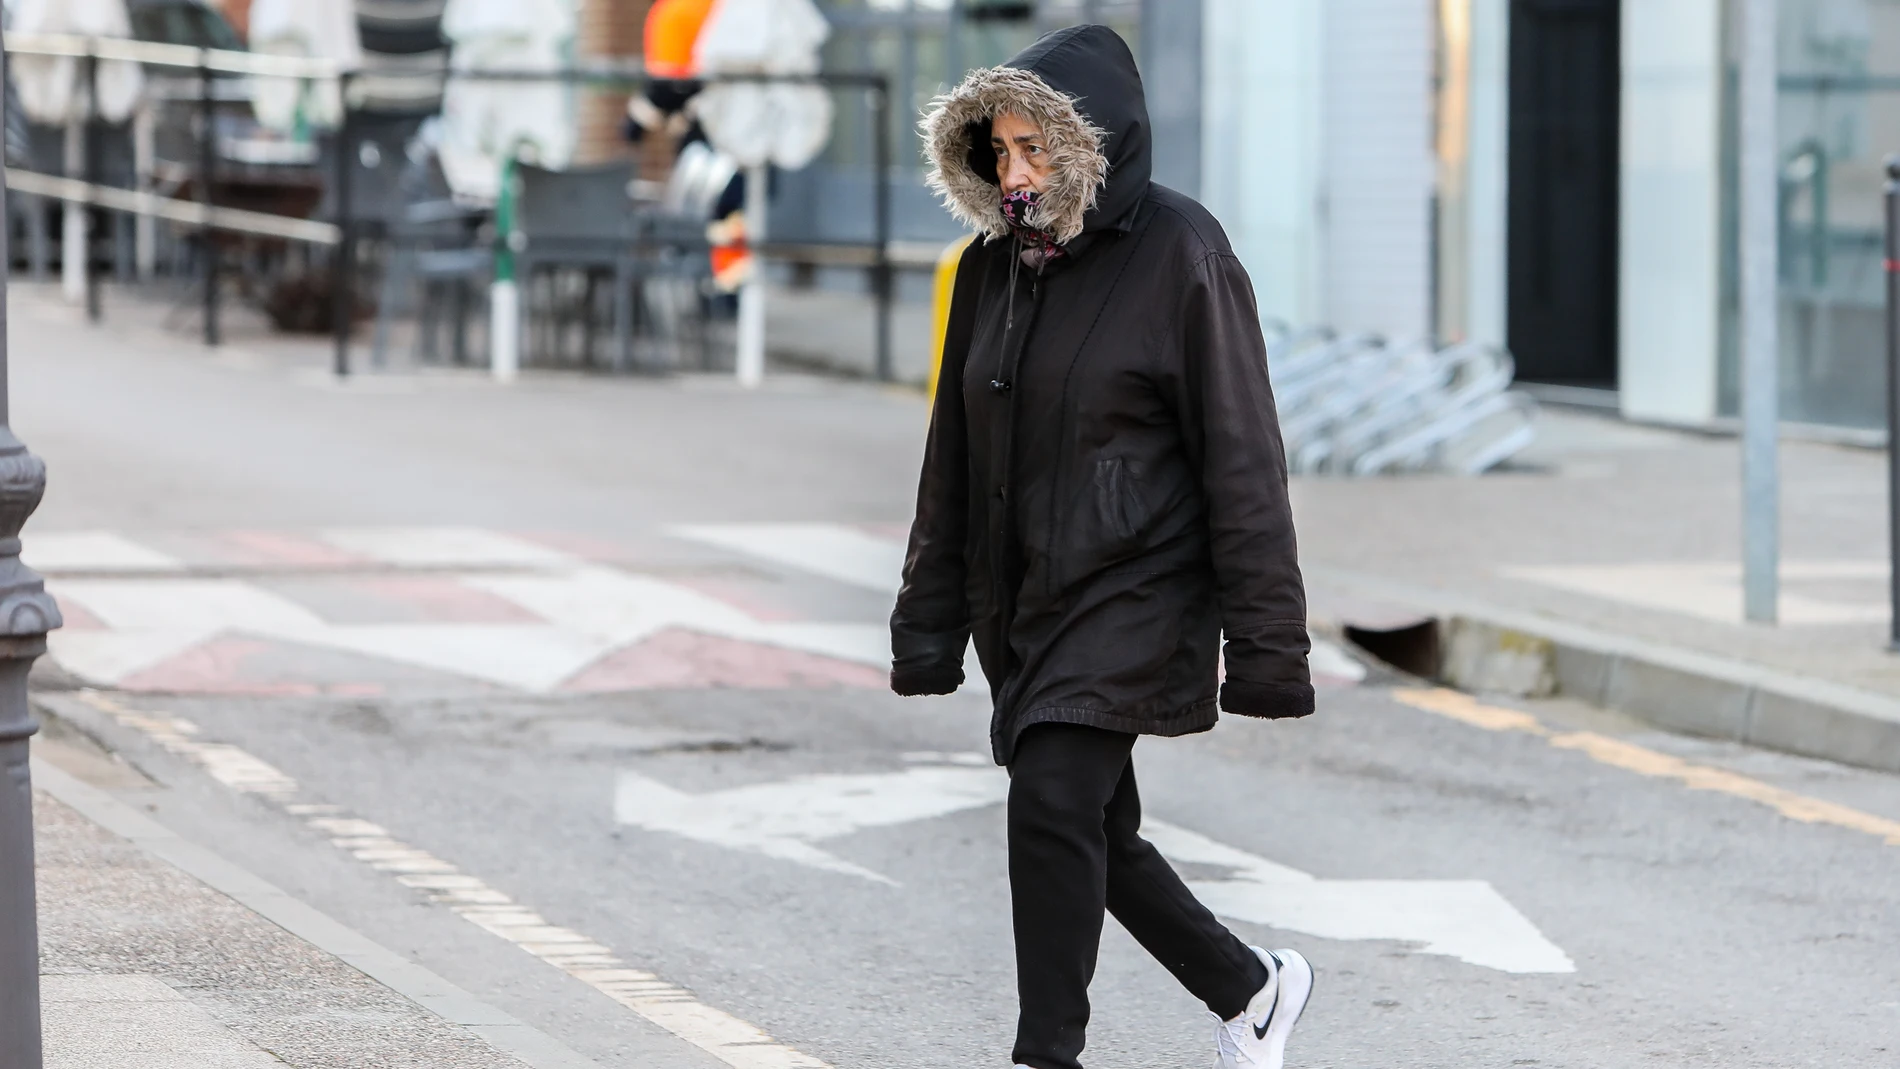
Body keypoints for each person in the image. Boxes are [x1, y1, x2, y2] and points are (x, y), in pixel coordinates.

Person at [889, 24, 1317, 1069]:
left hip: (1140, 588)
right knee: (1087, 825)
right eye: (999, 152)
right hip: (1023, 599)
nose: (1015, 173)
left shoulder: (1185, 255)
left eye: (1035, 151)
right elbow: (952, 453)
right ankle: (1248, 989)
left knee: (1049, 801)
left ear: (1094, 148)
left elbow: (1245, 460)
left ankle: (1047, 1055)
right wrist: (928, 622)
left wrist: (1268, 647)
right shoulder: (992, 270)